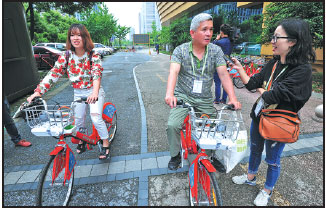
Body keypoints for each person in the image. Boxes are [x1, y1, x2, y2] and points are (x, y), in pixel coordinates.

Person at [228, 18, 315, 206]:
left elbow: (272, 95)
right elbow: (253, 83)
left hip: (279, 122)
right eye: (272, 37)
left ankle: (267, 190)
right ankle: (251, 176)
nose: (272, 41)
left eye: (277, 37)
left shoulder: (302, 70)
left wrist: (265, 92)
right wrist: (241, 69)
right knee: (255, 149)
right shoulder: (273, 63)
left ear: (292, 41)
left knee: (273, 160)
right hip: (259, 116)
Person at [165, 13, 241, 171]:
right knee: (173, 125)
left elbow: (223, 74)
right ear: (192, 33)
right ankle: (175, 155)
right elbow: (173, 71)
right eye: (204, 29)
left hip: (205, 98)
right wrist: (170, 94)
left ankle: (209, 156)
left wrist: (232, 98)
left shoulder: (215, 51)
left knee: (212, 129)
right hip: (183, 96)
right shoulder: (181, 50)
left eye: (211, 29)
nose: (208, 33)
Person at [27, 23, 110, 160]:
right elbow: (53, 74)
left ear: (85, 38)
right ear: (69, 38)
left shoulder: (93, 55)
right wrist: (38, 92)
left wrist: (94, 93)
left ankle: (105, 142)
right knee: (78, 121)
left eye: (79, 35)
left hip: (93, 91)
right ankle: (82, 140)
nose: (75, 38)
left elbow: (96, 74)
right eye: (72, 35)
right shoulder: (66, 56)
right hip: (78, 92)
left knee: (95, 117)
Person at [212, 24, 233, 104]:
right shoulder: (230, 41)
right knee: (225, 83)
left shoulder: (219, 42)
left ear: (221, 32)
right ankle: (224, 99)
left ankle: (217, 99)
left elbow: (212, 46)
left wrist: (216, 39)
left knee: (218, 83)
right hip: (227, 63)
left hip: (219, 64)